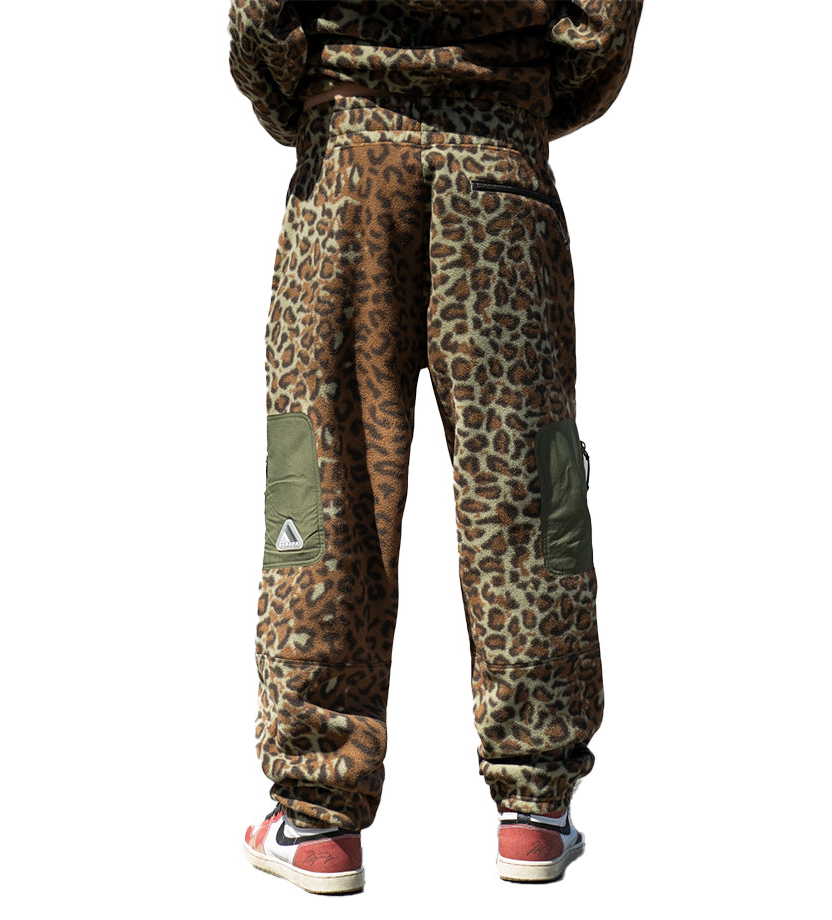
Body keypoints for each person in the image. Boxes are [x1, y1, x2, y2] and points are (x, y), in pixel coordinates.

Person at [229, 0, 642, 894]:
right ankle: (535, 806)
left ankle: (316, 814)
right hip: (500, 177)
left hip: (346, 173)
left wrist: (315, 98)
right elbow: (600, 26)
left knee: (319, 480)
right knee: (531, 484)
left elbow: (262, 17)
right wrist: (507, 97)